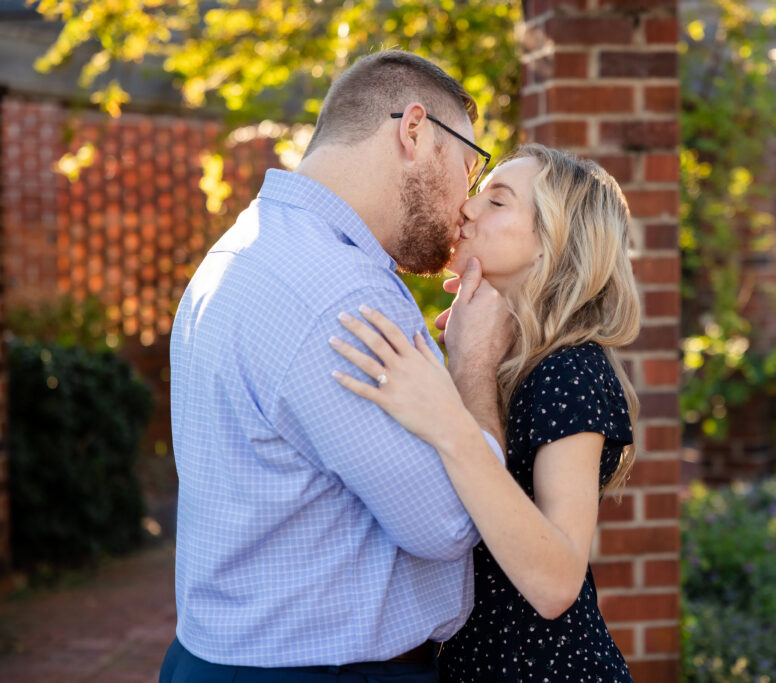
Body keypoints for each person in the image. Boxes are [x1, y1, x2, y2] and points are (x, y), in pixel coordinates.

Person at [160, 49, 512, 683]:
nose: (469, 202)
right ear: (414, 130)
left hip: (225, 657)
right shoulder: (344, 294)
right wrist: (474, 364)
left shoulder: (240, 251)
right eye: (471, 166)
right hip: (325, 671)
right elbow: (451, 523)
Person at [330, 144, 639, 682]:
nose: (468, 209)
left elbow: (556, 584)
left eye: (498, 201)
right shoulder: (497, 361)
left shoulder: (569, 369)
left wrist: (447, 417)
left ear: (552, 245)